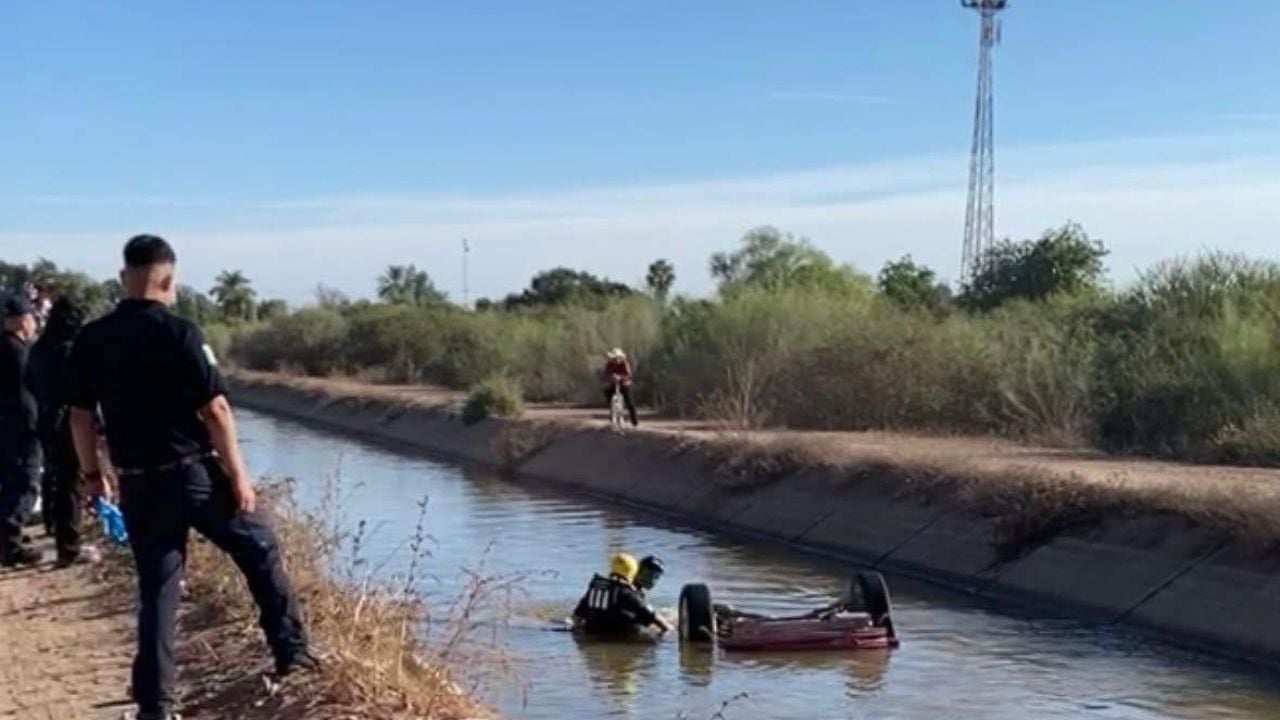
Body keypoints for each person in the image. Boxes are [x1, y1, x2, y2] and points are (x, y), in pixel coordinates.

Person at [68, 235, 317, 720]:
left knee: (159, 588)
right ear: (169, 279)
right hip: (192, 476)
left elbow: (79, 417)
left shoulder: (92, 339)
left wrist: (94, 476)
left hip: (138, 483)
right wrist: (239, 478)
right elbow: (217, 410)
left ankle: (156, 703)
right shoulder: (181, 333)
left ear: (124, 278)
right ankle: (292, 653)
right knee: (259, 546)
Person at [26, 293, 92, 566]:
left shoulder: (39, 348)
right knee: (70, 484)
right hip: (68, 420)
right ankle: (69, 547)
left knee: (54, 477)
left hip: (44, 417)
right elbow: (84, 391)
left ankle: (57, 531)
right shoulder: (72, 350)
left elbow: (28, 381)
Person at [0, 295, 42, 567]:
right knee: (25, 482)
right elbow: (26, 395)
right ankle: (9, 540)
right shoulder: (19, 352)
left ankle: (8, 535)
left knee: (8, 481)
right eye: (31, 319)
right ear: (21, 320)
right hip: (20, 426)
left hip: (5, 425)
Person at [572, 552, 671, 637]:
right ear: (634, 572)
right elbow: (658, 621)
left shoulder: (596, 587)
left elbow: (576, 617)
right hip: (618, 639)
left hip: (591, 638)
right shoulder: (626, 594)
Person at [600, 348, 639, 427]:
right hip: (614, 384)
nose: (616, 360)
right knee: (607, 392)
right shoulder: (609, 364)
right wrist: (611, 377)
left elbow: (629, 375)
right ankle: (612, 413)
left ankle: (634, 421)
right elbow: (605, 375)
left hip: (624, 384)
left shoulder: (624, 364)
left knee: (630, 402)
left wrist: (621, 377)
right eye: (614, 358)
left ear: (620, 357)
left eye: (617, 358)